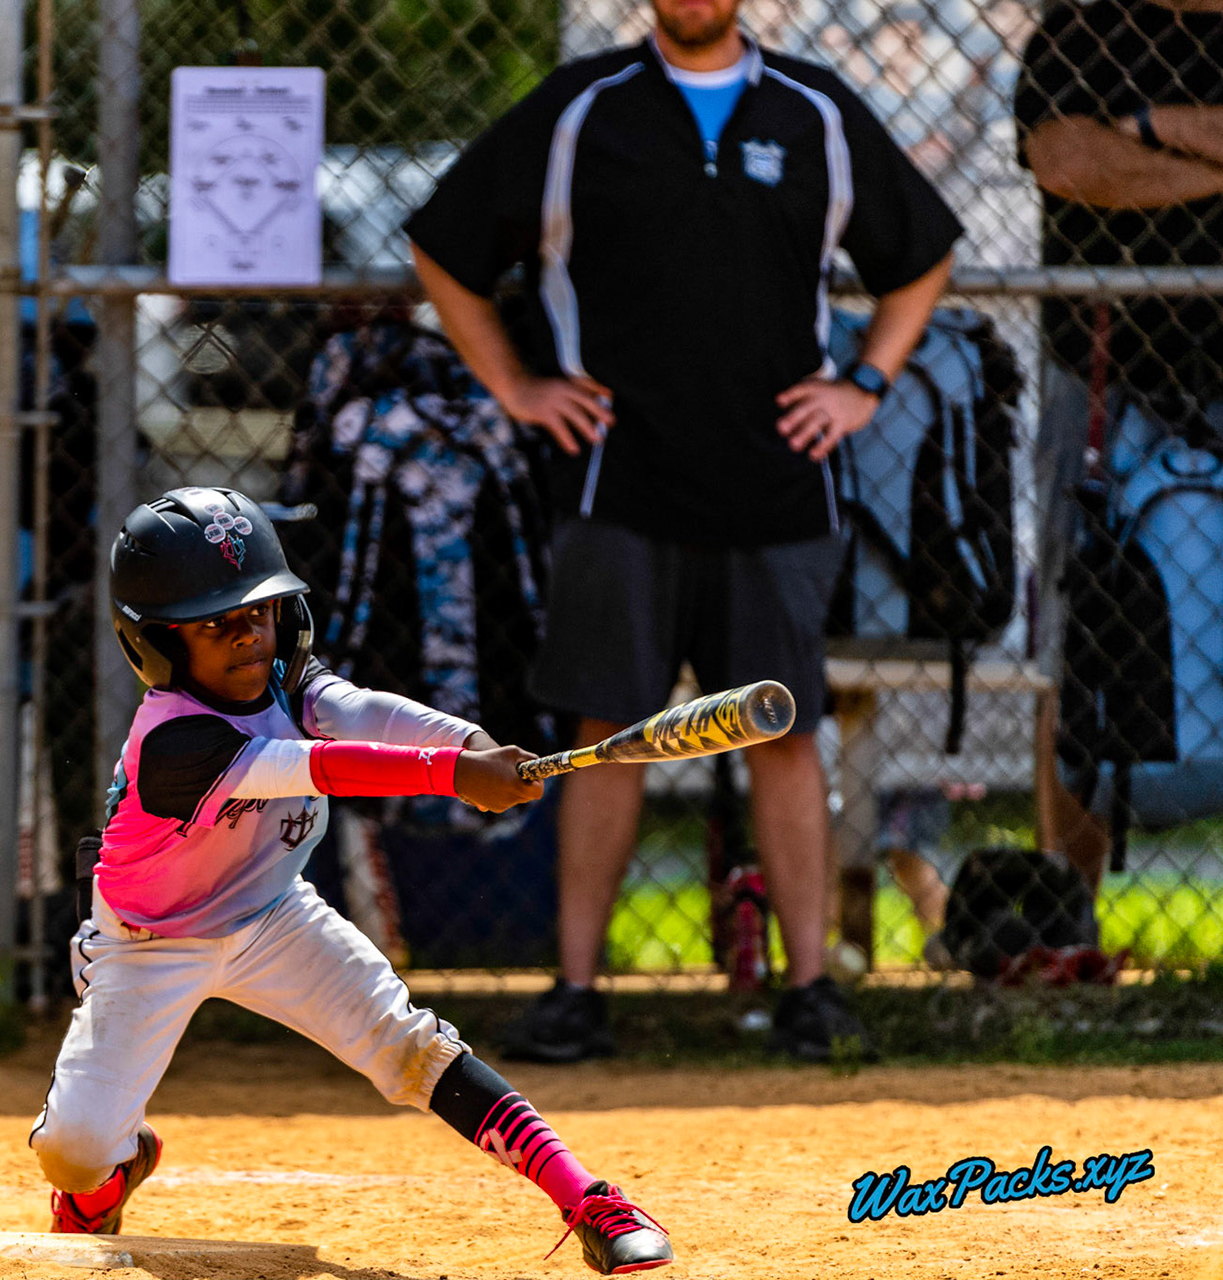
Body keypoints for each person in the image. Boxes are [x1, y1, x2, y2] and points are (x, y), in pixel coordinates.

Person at [404, 0, 961, 1062]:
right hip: (622, 480)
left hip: (779, 483)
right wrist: (518, 386)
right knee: (605, 732)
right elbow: (444, 245)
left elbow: (920, 252)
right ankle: (576, 990)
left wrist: (867, 381)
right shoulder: (583, 108)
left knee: (784, 730)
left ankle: (810, 990)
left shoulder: (814, 112)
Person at [29, 487, 674, 1276]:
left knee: (410, 1049)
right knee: (72, 1152)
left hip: (272, 916)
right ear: (159, 646)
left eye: (259, 612)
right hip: (147, 942)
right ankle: (112, 1172)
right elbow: (318, 766)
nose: (246, 637)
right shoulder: (174, 740)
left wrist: (474, 745)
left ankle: (590, 1200)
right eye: (215, 624)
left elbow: (367, 715)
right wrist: (453, 775)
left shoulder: (289, 685)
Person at [1015, 0, 1223, 892]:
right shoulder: (1080, 31)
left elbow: (1109, 159)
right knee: (1079, 637)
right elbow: (1068, 163)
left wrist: (1143, 130)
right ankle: (1066, 916)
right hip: (1100, 376)